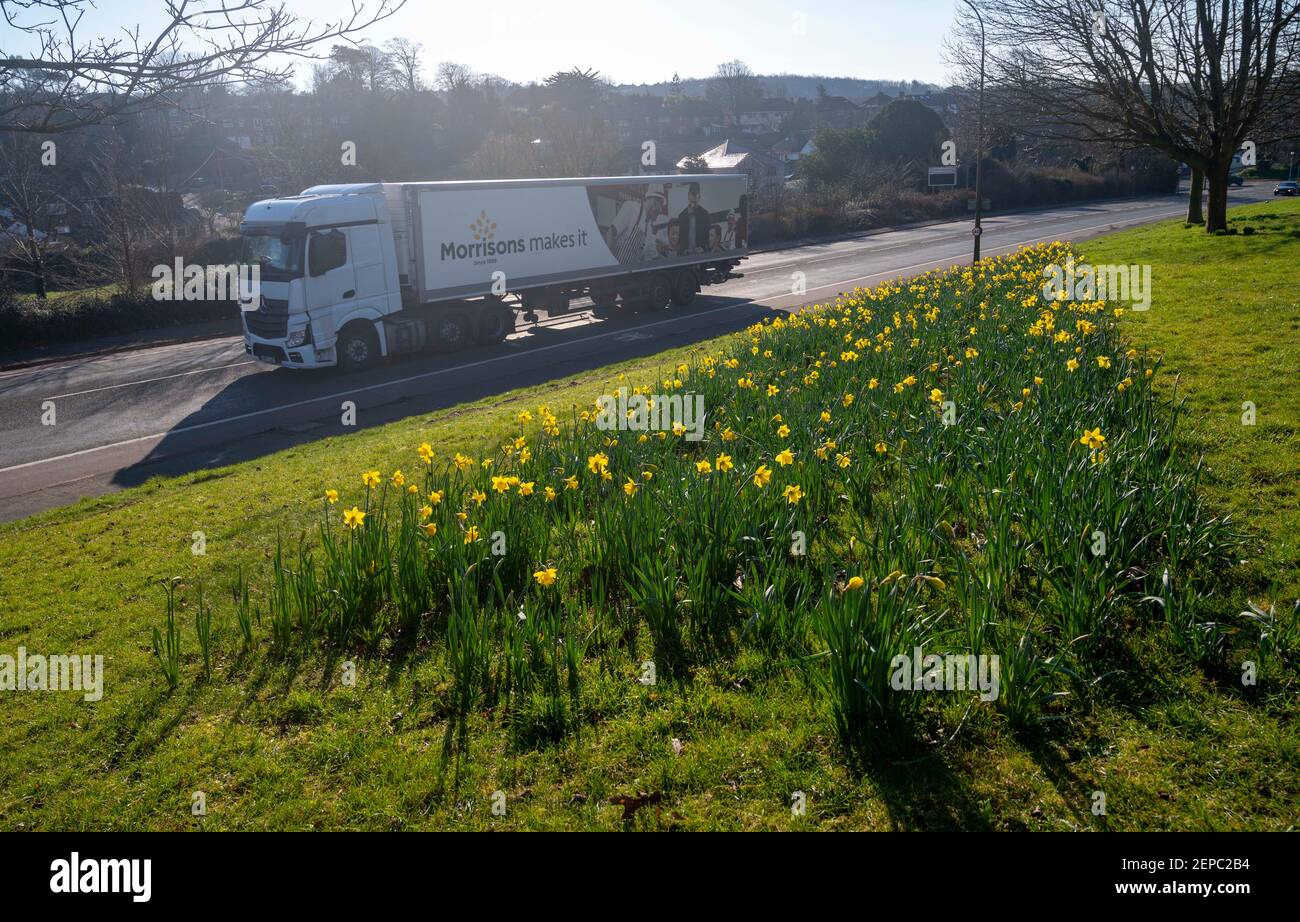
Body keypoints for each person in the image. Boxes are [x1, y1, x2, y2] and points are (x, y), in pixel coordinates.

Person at [677, 181, 711, 255]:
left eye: (695, 203)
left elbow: (708, 235)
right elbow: (680, 237)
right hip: (686, 254)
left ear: (699, 197)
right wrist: (683, 250)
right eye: (691, 201)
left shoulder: (704, 214)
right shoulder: (682, 216)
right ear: (688, 196)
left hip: (701, 253)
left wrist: (703, 248)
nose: (693, 205)